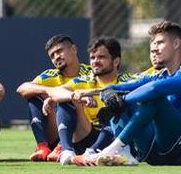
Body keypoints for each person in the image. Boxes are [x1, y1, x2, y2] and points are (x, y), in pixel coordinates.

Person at [78, 21, 181, 167]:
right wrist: (105, 95)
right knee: (116, 100)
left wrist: (123, 100)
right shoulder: (160, 74)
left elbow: (154, 89)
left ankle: (112, 149)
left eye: (160, 43)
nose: (155, 48)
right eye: (153, 44)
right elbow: (120, 87)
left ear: (176, 43)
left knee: (152, 99)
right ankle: (125, 153)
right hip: (159, 153)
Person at [37, 37, 129, 165]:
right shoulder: (83, 80)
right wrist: (73, 96)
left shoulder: (127, 80)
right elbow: (56, 92)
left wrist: (88, 93)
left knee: (112, 107)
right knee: (66, 101)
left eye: (101, 57)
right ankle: (67, 151)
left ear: (116, 61)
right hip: (87, 135)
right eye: (92, 58)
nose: (95, 62)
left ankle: (92, 154)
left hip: (117, 138)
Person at [15, 34, 90, 161]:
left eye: (59, 51)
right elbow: (22, 88)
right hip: (56, 133)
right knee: (34, 97)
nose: (56, 57)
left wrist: (59, 96)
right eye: (52, 55)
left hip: (86, 131)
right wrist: (50, 91)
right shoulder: (50, 75)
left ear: (74, 49)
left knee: (67, 101)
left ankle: (63, 146)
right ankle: (43, 147)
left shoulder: (90, 73)